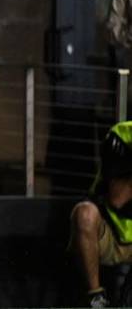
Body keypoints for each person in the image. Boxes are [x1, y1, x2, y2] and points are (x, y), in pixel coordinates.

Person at [70, 121, 132, 308]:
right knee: (85, 214)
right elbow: (117, 199)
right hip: (109, 235)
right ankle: (96, 298)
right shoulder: (120, 136)